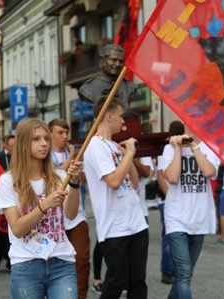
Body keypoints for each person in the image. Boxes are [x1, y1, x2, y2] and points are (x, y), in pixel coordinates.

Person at [0, 118, 83, 299]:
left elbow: (71, 214)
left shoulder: (59, 176)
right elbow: (17, 229)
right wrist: (43, 206)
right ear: (23, 143)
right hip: (26, 264)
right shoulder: (8, 181)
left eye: (46, 138)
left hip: (61, 262)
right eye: (36, 139)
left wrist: (73, 184)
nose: (43, 143)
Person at [84, 96, 149, 299]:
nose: (123, 121)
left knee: (137, 281)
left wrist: (127, 155)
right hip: (114, 227)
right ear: (109, 116)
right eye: (121, 116)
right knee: (116, 281)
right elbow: (113, 181)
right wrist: (129, 154)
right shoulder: (95, 146)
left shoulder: (113, 145)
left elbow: (135, 183)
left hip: (136, 223)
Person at [160, 125, 220, 299]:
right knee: (184, 273)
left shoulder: (210, 147)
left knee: (184, 274)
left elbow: (209, 171)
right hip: (176, 218)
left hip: (199, 219)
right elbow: (172, 177)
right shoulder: (169, 148)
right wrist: (178, 149)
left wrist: (194, 147)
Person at [48, 118, 90, 299]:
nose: (65, 136)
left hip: (76, 215)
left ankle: (81, 295)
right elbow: (52, 173)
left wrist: (76, 161)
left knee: (81, 259)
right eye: (60, 133)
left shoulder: (74, 154)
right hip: (53, 216)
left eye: (66, 133)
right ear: (51, 135)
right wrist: (71, 160)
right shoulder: (46, 154)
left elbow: (83, 180)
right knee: (55, 261)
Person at [156, 120, 185, 285]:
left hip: (174, 198)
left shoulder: (179, 148)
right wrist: (171, 197)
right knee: (168, 236)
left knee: (175, 236)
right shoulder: (167, 149)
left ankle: (177, 268)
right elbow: (161, 177)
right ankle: (167, 270)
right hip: (167, 199)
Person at [78, 44, 136, 108]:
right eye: (113, 60)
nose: (117, 64)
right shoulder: (88, 88)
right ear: (103, 61)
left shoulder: (129, 87)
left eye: (121, 61)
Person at [0, 134, 14, 270]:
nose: (13, 148)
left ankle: (9, 261)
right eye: (11, 146)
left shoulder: (20, 159)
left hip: (14, 199)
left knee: (9, 231)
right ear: (5, 145)